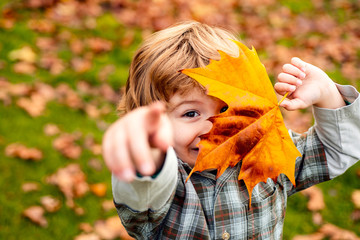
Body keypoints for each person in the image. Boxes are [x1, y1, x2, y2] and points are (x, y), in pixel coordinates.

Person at [102, 21, 360, 239]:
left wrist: (327, 94)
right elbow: (142, 193)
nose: (212, 126)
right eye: (191, 113)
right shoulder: (167, 186)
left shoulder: (265, 152)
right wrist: (145, 154)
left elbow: (335, 150)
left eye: (227, 109)